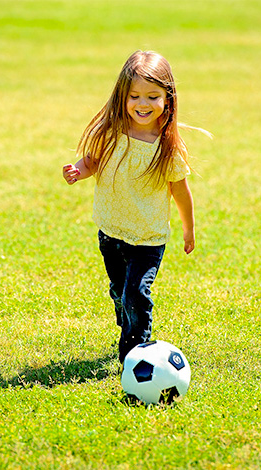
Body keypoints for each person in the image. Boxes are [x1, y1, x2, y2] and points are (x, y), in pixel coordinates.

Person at [63, 50, 196, 363]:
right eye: (135, 96)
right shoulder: (110, 134)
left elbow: (181, 191)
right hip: (110, 231)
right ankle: (127, 324)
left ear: (168, 99)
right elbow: (93, 161)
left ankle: (135, 352)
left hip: (148, 239)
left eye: (153, 96)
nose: (143, 104)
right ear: (122, 96)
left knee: (136, 293)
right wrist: (78, 171)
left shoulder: (167, 148)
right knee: (120, 291)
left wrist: (188, 229)